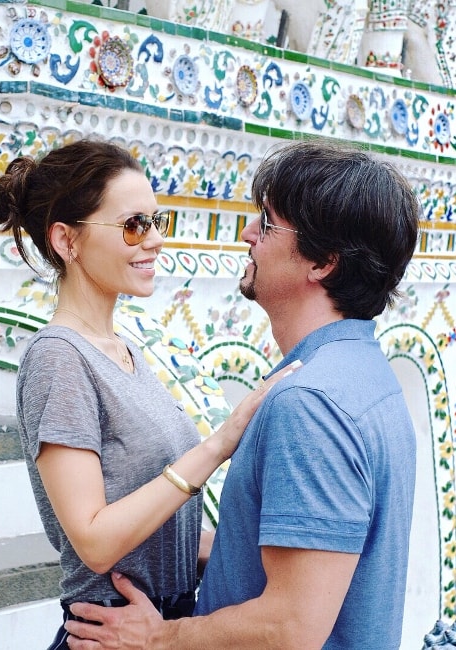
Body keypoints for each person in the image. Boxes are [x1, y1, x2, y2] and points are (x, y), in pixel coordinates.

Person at [64, 139, 420, 649]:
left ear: (322, 262)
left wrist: (158, 638)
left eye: (268, 223)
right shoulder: (367, 377)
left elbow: (290, 626)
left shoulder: (311, 404)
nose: (248, 233)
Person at [0, 139, 301, 650]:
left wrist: (275, 554)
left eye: (158, 222)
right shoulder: (59, 358)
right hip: (109, 632)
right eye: (133, 225)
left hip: (162, 625)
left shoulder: (127, 351)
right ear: (67, 240)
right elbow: (96, 541)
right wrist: (218, 446)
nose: (154, 241)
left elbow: (152, 535)